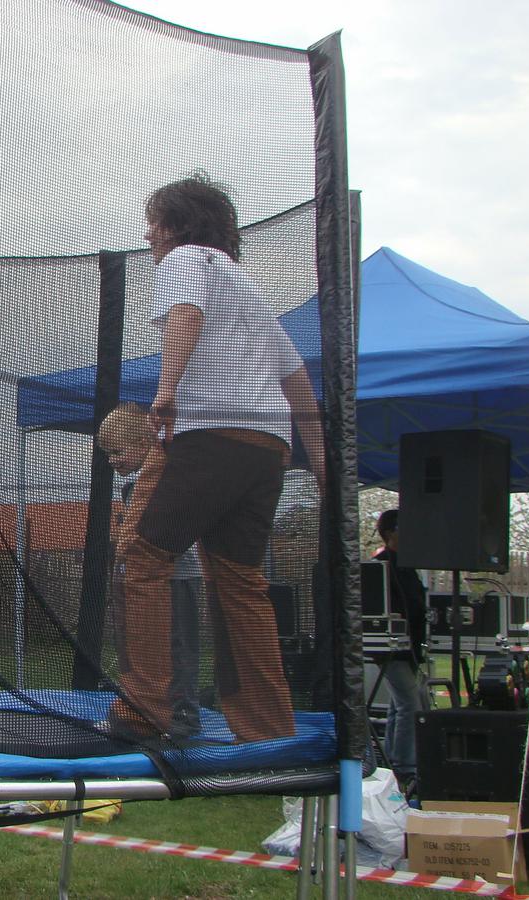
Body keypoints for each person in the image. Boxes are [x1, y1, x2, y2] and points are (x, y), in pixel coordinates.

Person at [110, 173, 325, 743]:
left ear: (177, 225)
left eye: (154, 223)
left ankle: (145, 711)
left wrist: (166, 389)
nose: (149, 235)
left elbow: (185, 315)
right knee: (240, 582)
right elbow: (297, 381)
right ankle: (267, 728)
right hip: (268, 450)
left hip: (211, 433)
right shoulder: (247, 288)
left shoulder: (185, 259)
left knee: (143, 555)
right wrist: (325, 466)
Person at [97, 403, 202, 737]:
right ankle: (142, 711)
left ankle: (182, 717)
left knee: (178, 647)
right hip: (141, 581)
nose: (112, 460)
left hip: (176, 578)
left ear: (143, 444)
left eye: (117, 452)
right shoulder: (133, 486)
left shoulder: (166, 475)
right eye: (107, 454)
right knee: (140, 647)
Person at [373, 508, 428, 780]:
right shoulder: (382, 566)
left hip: (409, 648)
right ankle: (405, 766)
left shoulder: (406, 565)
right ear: (390, 533)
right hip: (392, 649)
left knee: (400, 705)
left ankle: (393, 761)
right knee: (410, 703)